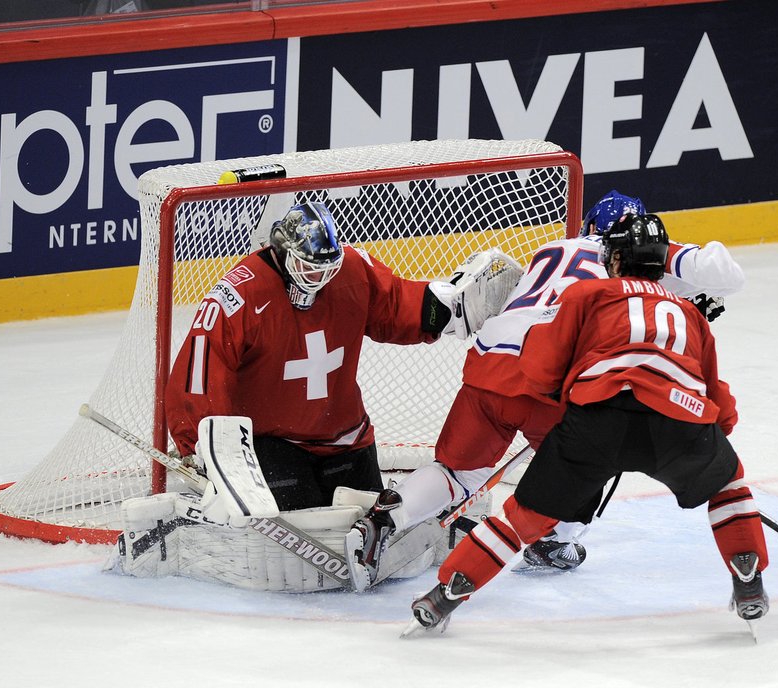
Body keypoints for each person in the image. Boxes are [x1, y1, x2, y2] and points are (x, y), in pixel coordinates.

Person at [103, 201, 523, 594]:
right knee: (295, 535)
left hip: (346, 438)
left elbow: (396, 304)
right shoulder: (239, 293)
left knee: (369, 527)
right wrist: (206, 451)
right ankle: (185, 525)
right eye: (307, 268)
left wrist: (445, 308)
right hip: (272, 444)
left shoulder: (353, 269)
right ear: (282, 253)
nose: (318, 280)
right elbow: (200, 369)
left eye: (326, 269)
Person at [345, 191, 746, 591]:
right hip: (549, 378)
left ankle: (384, 518)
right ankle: (555, 542)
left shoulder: (551, 249)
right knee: (595, 459)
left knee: (459, 472)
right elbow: (724, 277)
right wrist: (679, 277)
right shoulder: (625, 260)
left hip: (489, 367)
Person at [403, 212, 770, 637]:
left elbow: (541, 368)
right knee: (729, 486)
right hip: (677, 418)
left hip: (598, 422)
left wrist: (576, 400)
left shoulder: (586, 295)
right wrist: (709, 452)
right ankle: (748, 576)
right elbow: (717, 400)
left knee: (522, 518)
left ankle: (448, 591)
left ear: (613, 259)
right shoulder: (688, 312)